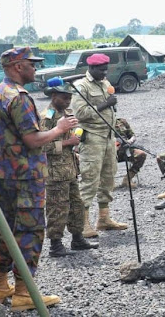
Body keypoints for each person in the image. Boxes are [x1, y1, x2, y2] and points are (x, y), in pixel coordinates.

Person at [0, 47, 74, 310]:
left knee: (7, 229)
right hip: (24, 176)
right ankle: (24, 292)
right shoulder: (19, 97)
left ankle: (0, 284)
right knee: (30, 231)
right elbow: (33, 139)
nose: (36, 68)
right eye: (31, 64)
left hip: (4, 175)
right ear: (17, 66)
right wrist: (60, 129)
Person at [71, 53, 127, 238]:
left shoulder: (104, 83)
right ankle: (83, 223)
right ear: (91, 68)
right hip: (92, 138)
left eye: (106, 69)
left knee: (108, 177)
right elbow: (80, 113)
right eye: (101, 70)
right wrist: (105, 104)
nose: (105, 73)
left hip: (108, 137)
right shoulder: (81, 87)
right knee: (90, 179)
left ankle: (103, 219)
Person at [41, 85, 98, 257]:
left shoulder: (67, 114)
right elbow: (43, 146)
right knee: (57, 208)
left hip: (70, 169)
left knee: (76, 205)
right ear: (53, 96)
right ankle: (55, 245)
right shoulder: (47, 117)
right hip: (54, 172)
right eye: (63, 98)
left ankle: (77, 238)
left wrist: (76, 141)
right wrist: (68, 142)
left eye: (69, 98)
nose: (67, 101)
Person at [114, 118, 146, 189]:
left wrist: (130, 141)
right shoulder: (101, 124)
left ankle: (127, 179)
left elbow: (132, 135)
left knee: (141, 155)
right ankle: (109, 183)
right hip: (110, 152)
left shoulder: (121, 121)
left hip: (126, 150)